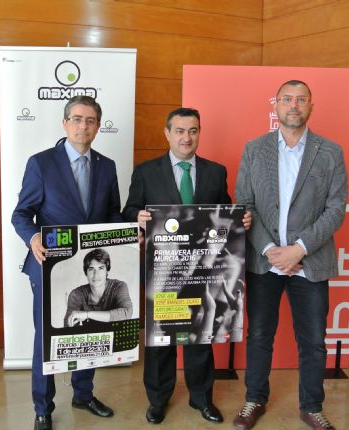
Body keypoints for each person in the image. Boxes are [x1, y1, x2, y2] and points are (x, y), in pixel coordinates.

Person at [123, 107, 251, 425]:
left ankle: (201, 399)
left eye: (193, 131)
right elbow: (129, 209)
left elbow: (224, 212)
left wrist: (241, 220)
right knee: (160, 341)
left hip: (203, 271)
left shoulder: (215, 172)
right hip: (162, 272)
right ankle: (157, 401)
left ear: (199, 133)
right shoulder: (146, 171)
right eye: (179, 131)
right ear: (167, 133)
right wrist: (137, 217)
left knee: (200, 336)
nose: (186, 137)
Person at [232, 80, 347, 430]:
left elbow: (336, 209)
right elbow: (245, 205)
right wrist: (271, 251)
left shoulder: (331, 151)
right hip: (264, 262)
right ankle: (254, 399)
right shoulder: (255, 149)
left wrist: (298, 249)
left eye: (300, 99)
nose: (293, 105)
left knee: (313, 341)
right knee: (259, 336)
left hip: (309, 263)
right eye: (286, 99)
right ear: (276, 106)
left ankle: (312, 406)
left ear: (310, 105)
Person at [12, 95, 122, 430]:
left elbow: (112, 213)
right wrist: (33, 238)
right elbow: (21, 214)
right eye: (76, 119)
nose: (82, 126)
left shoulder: (107, 166)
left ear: (98, 126)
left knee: (89, 330)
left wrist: (129, 236)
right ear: (64, 123)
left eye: (90, 121)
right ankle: (42, 407)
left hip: (90, 267)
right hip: (50, 265)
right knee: (46, 337)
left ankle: (83, 395)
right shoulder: (41, 163)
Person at [64, 248, 133, 327]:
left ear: (107, 271)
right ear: (86, 273)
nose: (96, 274)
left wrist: (87, 314)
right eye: (91, 269)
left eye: (101, 268)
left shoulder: (119, 286)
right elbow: (67, 325)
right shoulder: (76, 294)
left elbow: (126, 313)